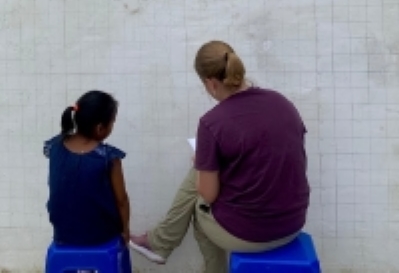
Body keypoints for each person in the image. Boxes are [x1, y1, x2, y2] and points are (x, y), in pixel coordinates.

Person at [130, 41, 310, 273]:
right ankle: (160, 241)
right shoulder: (282, 103)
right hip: (292, 224)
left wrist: (204, 165)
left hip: (251, 235)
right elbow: (287, 160)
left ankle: (164, 243)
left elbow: (208, 194)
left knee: (200, 208)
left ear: (211, 83)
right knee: (204, 171)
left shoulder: (212, 122)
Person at [44, 90, 131, 247]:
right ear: (100, 128)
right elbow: (122, 201)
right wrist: (125, 231)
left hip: (63, 232)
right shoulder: (108, 157)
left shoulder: (54, 147)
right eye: (112, 123)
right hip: (99, 234)